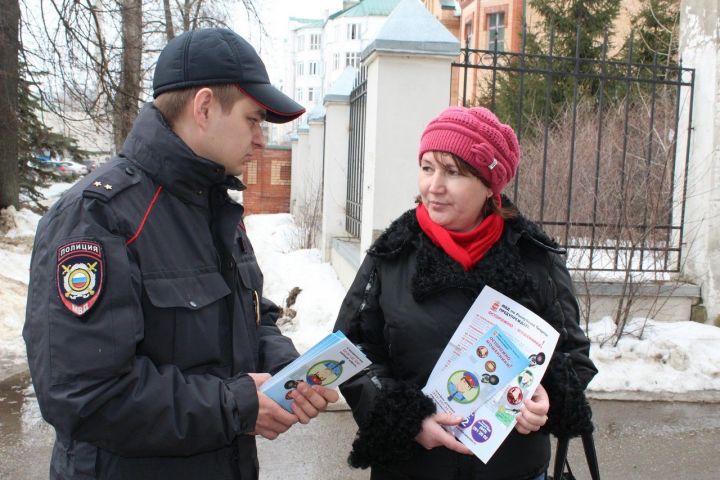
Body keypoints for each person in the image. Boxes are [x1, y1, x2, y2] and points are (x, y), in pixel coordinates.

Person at [23, 28, 338, 480]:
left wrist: (286, 367)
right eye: (253, 119)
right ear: (205, 107)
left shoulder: (214, 208)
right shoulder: (97, 217)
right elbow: (85, 394)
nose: (262, 140)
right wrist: (235, 406)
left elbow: (246, 314)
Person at [333, 106, 597, 480]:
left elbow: (572, 353)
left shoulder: (534, 258)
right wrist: (407, 418)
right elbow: (351, 351)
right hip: (411, 468)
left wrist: (546, 395)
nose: (433, 186)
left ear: (490, 185)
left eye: (453, 172)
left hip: (513, 469)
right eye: (427, 168)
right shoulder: (392, 254)